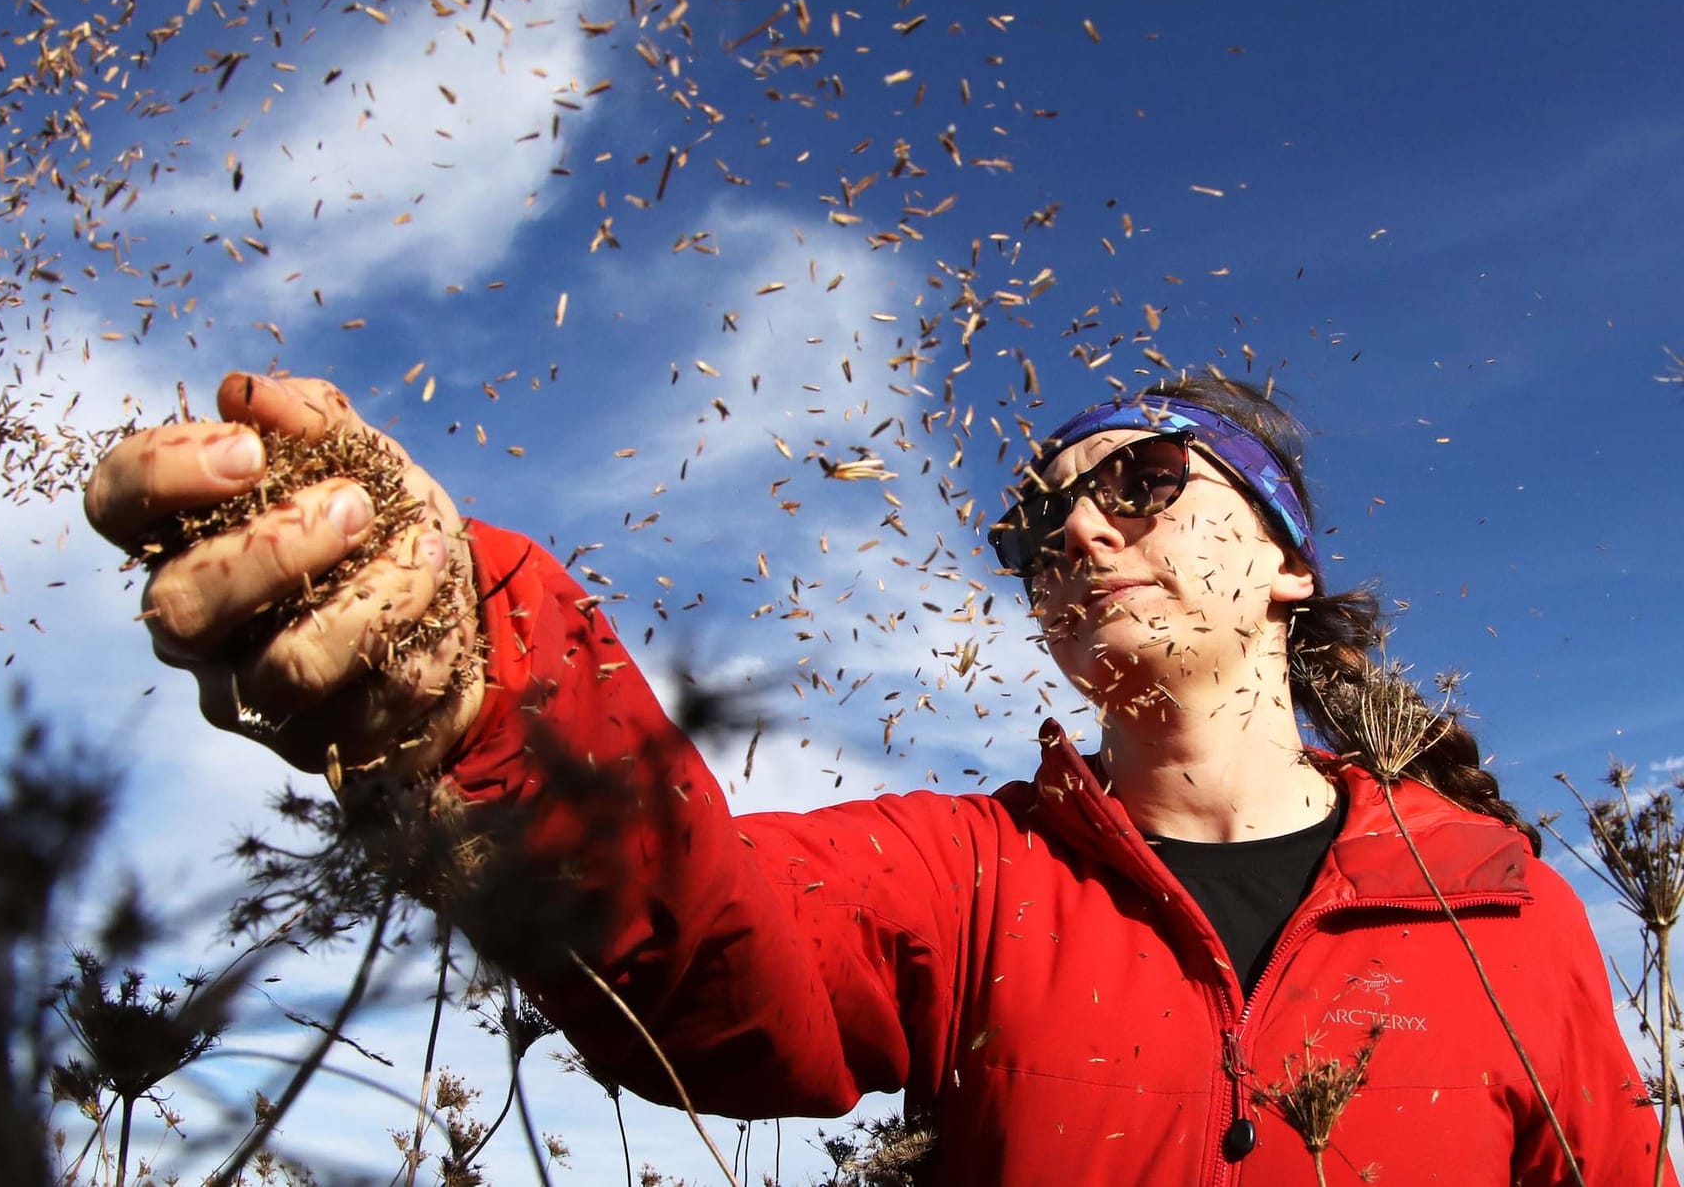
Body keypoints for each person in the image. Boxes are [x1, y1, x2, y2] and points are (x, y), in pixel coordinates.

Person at [84, 369, 1674, 1185]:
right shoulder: (975, 875)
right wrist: (482, 678)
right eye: (1035, 524)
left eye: (1139, 477)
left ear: (1286, 563)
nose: (1077, 533)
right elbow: (712, 960)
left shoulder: (1497, 910)